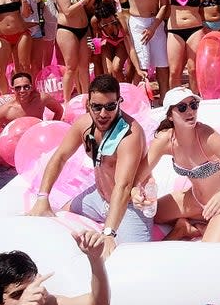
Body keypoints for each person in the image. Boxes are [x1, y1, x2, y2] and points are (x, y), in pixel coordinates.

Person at [29, 75, 152, 257]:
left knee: (132, 258)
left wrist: (109, 233)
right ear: (88, 104)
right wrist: (42, 197)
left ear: (120, 102)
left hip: (129, 204)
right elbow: (60, 157)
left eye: (110, 106)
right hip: (98, 197)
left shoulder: (130, 135)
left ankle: (179, 230)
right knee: (60, 217)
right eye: (97, 107)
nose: (103, 114)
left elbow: (123, 186)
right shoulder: (83, 124)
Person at [145, 88, 220, 243]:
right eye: (182, 107)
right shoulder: (166, 140)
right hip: (195, 200)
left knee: (207, 254)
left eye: (193, 105)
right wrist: (143, 185)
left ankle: (196, 228)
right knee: (150, 215)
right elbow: (141, 173)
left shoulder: (208, 137)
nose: (190, 111)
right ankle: (185, 228)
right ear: (170, 115)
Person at [0, 71, 63, 139]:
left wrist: (51, 128)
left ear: (31, 87)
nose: (22, 91)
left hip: (38, 137)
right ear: (13, 89)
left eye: (26, 87)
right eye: (18, 88)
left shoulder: (42, 99)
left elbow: (59, 110)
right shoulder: (6, 110)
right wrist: (12, 135)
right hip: (16, 144)